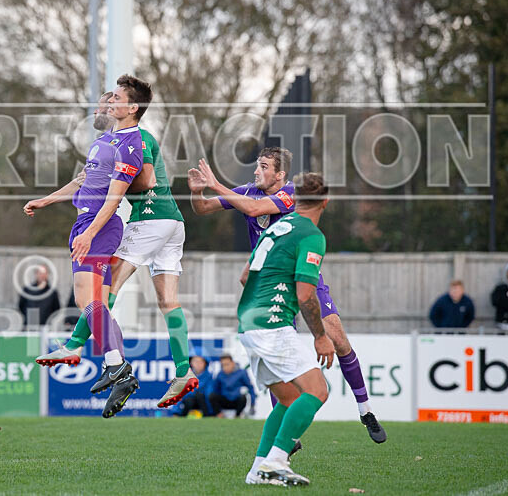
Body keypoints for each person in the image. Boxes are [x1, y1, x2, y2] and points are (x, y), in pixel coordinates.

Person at [188, 148, 386, 444]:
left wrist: (216, 184)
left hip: (303, 273)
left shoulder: (292, 193)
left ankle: (365, 410)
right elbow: (202, 209)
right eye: (257, 165)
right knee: (277, 359)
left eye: (263, 166)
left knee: (339, 339)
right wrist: (196, 192)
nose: (256, 171)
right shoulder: (248, 191)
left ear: (280, 175)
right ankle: (286, 440)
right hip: (272, 282)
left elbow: (255, 210)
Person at [52, 89, 197, 408]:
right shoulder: (115, 143)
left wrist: (111, 179)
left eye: (109, 103)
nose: (102, 109)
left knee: (105, 286)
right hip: (172, 223)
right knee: (168, 301)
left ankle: (79, 347)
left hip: (150, 218)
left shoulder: (137, 137)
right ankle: (184, 371)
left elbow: (145, 180)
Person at [24, 74, 151, 418]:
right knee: (99, 305)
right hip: (87, 224)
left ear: (130, 108)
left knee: (86, 301)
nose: (103, 105)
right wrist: (46, 200)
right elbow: (81, 181)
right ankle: (118, 371)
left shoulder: (130, 145)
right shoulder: (104, 143)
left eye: (111, 100)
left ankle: (116, 365)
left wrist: (90, 233)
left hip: (100, 227)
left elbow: (114, 198)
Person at [238, 172, 335, 486]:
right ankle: (277, 461)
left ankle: (258, 471)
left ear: (294, 198)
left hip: (249, 322)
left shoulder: (276, 227)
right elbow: (306, 294)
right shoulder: (311, 235)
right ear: (325, 201)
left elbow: (244, 277)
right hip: (272, 323)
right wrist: (321, 337)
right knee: (319, 390)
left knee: (289, 399)